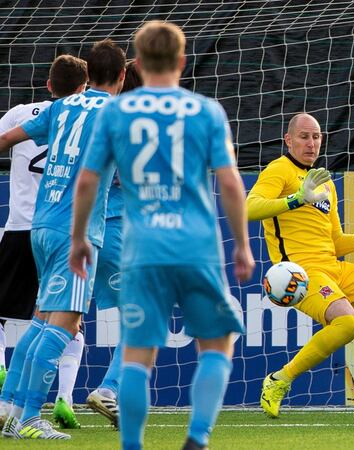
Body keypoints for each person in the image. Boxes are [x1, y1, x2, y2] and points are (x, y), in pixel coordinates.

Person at [69, 21, 253, 450]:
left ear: (137, 63)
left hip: (142, 246)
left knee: (137, 353)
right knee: (217, 342)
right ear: (183, 61)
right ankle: (198, 437)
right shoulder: (206, 111)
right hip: (196, 246)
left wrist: (79, 238)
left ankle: (132, 445)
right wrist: (242, 243)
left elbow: (86, 182)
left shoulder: (116, 112)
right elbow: (229, 183)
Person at [246, 113, 354, 417]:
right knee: (349, 324)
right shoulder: (279, 170)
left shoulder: (324, 183)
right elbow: (249, 208)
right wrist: (296, 200)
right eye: (303, 136)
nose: (311, 143)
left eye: (316, 136)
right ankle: (278, 380)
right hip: (299, 272)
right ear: (288, 140)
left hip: (333, 267)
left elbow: (336, 242)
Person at [0, 40, 126, 440]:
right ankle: (32, 417)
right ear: (122, 77)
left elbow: (6, 139)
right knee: (65, 325)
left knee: (41, 322)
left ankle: (9, 408)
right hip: (78, 232)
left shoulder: (61, 106)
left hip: (38, 226)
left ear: (88, 74)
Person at [0, 55, 89, 432]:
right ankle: (63, 398)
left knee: (8, 314)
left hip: (21, 227)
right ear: (84, 89)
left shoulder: (19, 114)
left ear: (49, 85)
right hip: (63, 227)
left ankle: (6, 381)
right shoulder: (84, 120)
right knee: (67, 321)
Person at [85, 59, 143, 428]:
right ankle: (109, 389)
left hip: (77, 229)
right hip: (113, 228)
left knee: (56, 319)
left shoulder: (87, 114)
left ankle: (15, 404)